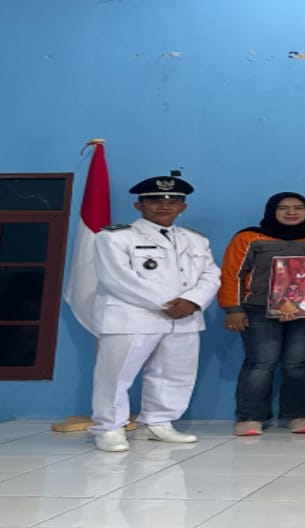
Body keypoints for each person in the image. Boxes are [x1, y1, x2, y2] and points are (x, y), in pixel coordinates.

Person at [89, 175, 220, 453]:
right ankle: (109, 428)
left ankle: (157, 423)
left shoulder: (196, 240)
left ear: (183, 207)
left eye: (173, 201)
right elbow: (117, 278)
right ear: (139, 205)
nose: (164, 206)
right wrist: (169, 303)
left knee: (174, 374)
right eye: (155, 200)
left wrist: (193, 301)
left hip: (185, 317)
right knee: (116, 376)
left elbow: (211, 275)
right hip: (132, 317)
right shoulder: (114, 237)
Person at [219, 192, 305, 436]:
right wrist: (232, 309)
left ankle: (300, 415)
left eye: (298, 207)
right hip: (258, 309)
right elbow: (232, 274)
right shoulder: (249, 237)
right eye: (283, 208)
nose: (291, 212)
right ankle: (250, 416)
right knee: (260, 362)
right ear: (271, 211)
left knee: (299, 363)